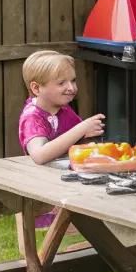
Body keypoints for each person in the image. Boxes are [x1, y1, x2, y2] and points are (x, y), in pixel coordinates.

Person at [19, 51, 105, 230]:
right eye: (61, 83)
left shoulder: (64, 111)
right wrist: (81, 129)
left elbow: (78, 141)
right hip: (42, 197)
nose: (71, 87)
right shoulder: (32, 117)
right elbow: (40, 155)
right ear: (36, 88)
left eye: (73, 80)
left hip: (66, 186)